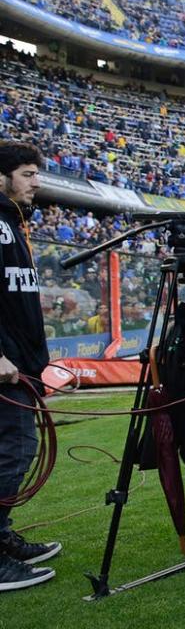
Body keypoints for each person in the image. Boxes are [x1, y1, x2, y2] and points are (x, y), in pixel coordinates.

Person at [0, 141, 61, 593]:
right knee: (13, 451)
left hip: (21, 363)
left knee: (14, 450)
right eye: (26, 174)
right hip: (4, 366)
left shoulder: (12, 224)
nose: (35, 182)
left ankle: (2, 538)